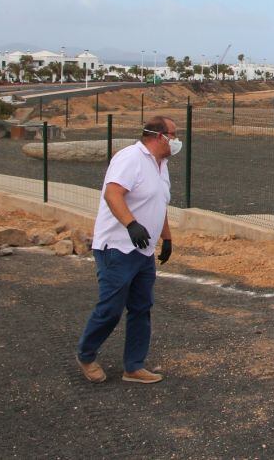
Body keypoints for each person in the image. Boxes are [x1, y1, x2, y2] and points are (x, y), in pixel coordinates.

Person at [76, 116, 180, 384]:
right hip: (118, 248)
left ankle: (133, 366)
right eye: (174, 134)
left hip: (143, 252)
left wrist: (166, 238)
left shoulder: (162, 165)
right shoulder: (130, 158)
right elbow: (113, 194)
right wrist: (131, 225)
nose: (178, 140)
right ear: (159, 136)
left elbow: (159, 203)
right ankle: (86, 355)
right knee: (111, 308)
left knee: (141, 307)